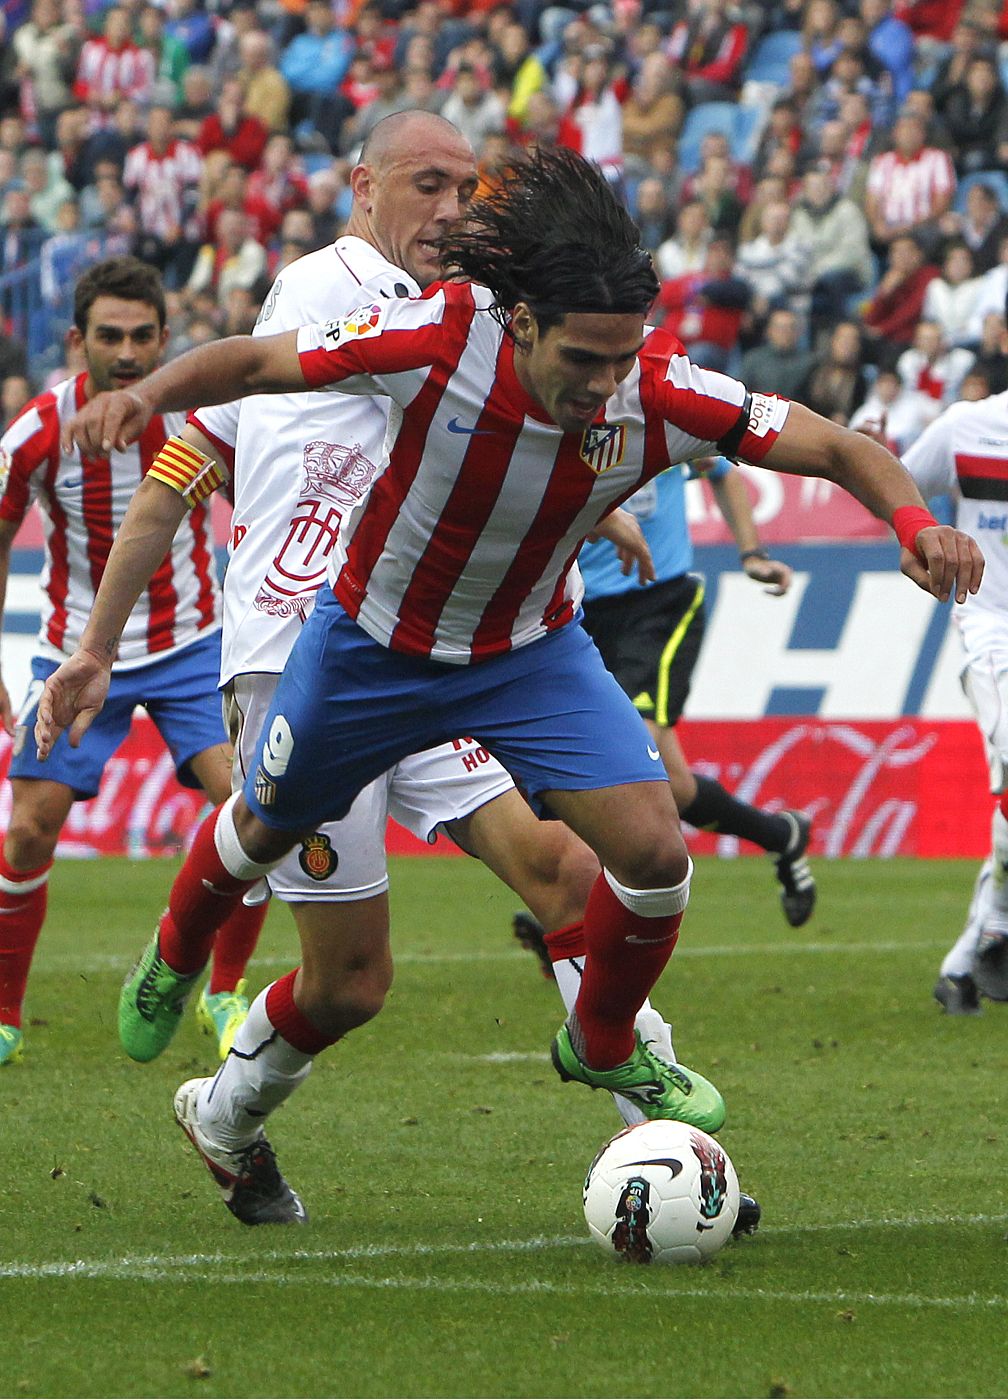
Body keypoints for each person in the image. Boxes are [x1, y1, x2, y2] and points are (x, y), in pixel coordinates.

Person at [42, 148, 983, 1222]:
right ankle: (188, 991)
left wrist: (914, 520)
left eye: (620, 359)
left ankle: (607, 1043)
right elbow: (255, 364)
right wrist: (149, 394)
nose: (602, 384)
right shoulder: (430, 339)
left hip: (523, 659)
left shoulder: (655, 389)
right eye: (583, 357)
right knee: (326, 943)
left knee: (643, 856)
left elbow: (823, 440)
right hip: (366, 654)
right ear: (522, 321)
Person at [0, 256, 266, 1067]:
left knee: (254, 818)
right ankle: (5, 1015)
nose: (126, 353)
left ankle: (222, 993)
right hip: (77, 652)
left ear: (163, 340)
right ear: (78, 340)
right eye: (108, 337)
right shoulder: (39, 431)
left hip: (192, 650)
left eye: (142, 337)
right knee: (26, 837)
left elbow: (265, 506)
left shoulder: (200, 421)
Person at [896, 301, 1008, 1014]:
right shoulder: (971, 426)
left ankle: (972, 955)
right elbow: (897, 481)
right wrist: (915, 543)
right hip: (994, 627)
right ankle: (988, 939)